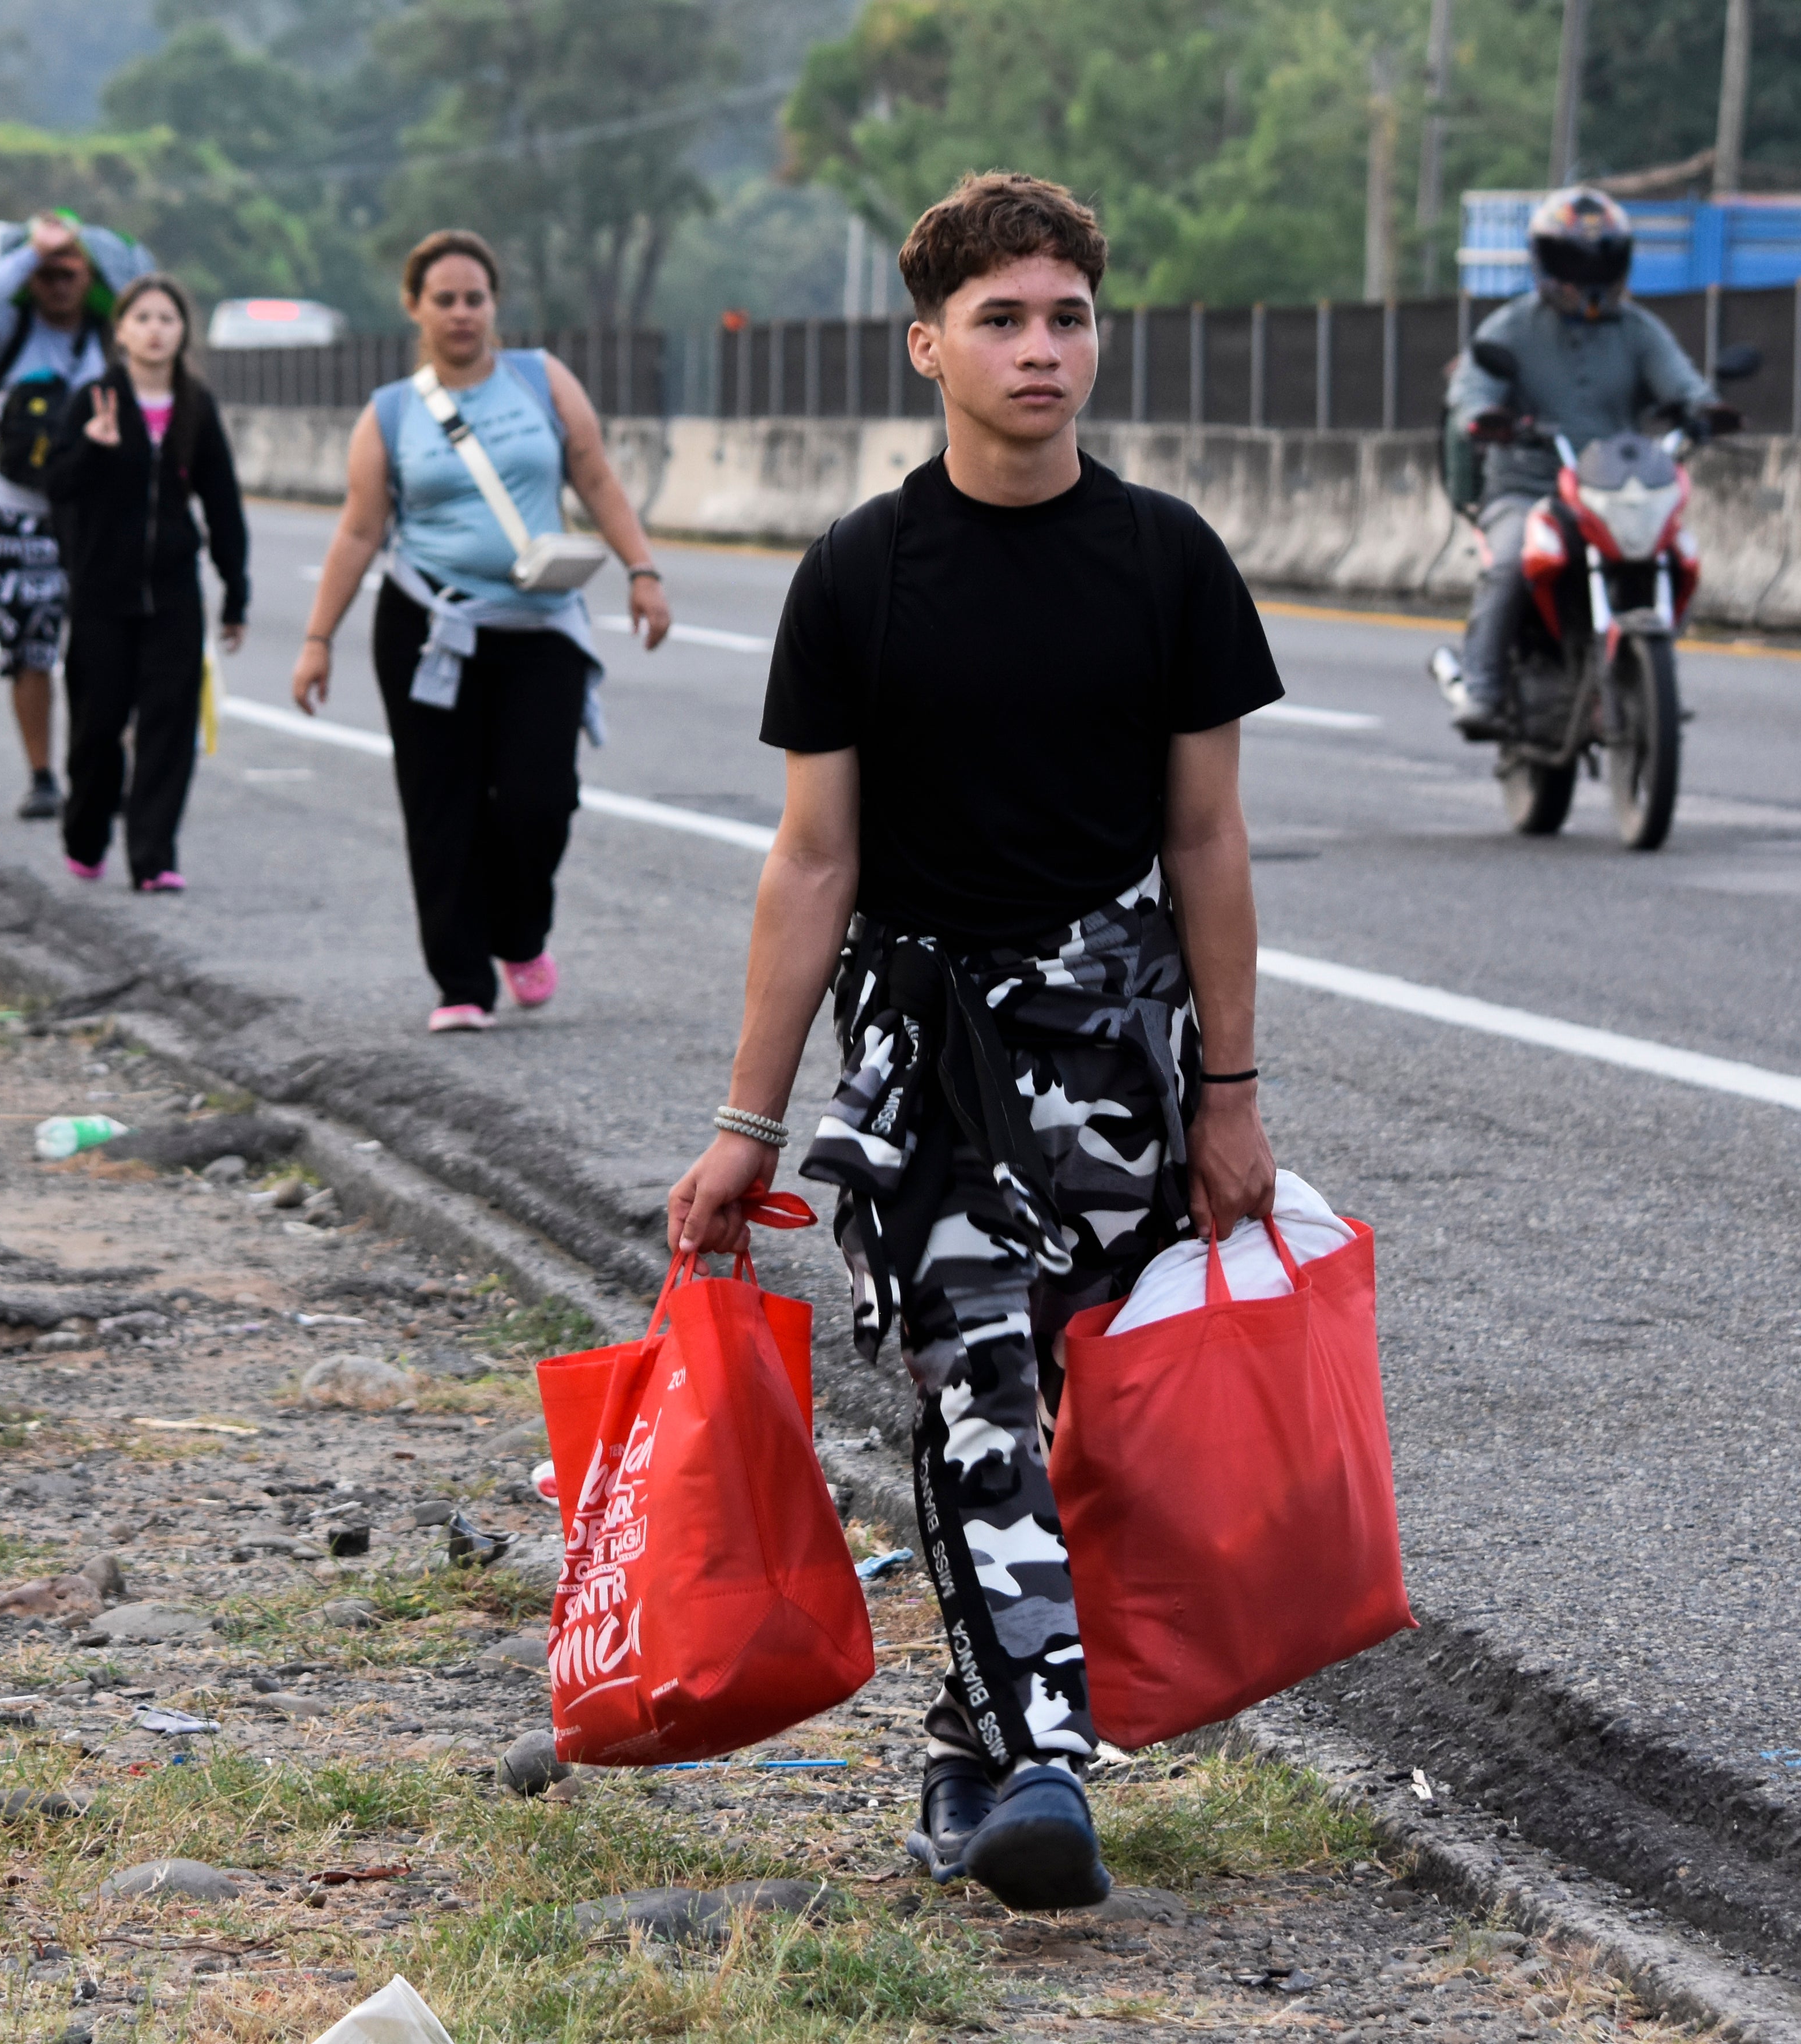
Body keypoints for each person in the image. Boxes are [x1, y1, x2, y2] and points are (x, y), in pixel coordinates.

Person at [663, 172, 1282, 1911]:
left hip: (1116, 1056)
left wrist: (1228, 1094)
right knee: (979, 1393)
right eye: (1000, 319)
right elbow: (812, 858)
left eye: (1065, 314)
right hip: (925, 1057)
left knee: (1088, 1412)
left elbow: (1208, 844)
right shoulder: (859, 573)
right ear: (925, 344)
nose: (1039, 348)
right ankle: (1044, 1775)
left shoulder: (1167, 558)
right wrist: (744, 1120)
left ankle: (968, 1744)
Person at [290, 228, 670, 1033]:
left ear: (493, 304)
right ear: (414, 308)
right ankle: (460, 981)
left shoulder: (540, 380)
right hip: (428, 628)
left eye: (474, 298)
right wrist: (317, 637)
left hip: (539, 627)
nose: (461, 314)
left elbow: (594, 475)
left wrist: (642, 570)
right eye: (444, 300)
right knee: (440, 804)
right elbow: (358, 534)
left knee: (541, 798)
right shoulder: (389, 415)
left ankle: (519, 930)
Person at [1439, 188, 1717, 739]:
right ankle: (1482, 685)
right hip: (1529, 485)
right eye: (1571, 259)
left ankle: (1647, 678)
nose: (1586, 273)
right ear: (1544, 261)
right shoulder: (1510, 327)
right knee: (1513, 560)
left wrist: (1704, 410)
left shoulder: (1639, 330)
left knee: (1676, 556)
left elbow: (1683, 384)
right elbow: (1471, 388)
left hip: (1611, 489)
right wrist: (1484, 416)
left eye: (1600, 258)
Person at [41, 274, 250, 893]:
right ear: (122, 330)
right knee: (97, 730)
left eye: (167, 319)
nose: (156, 330)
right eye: (143, 319)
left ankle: (153, 857)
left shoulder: (195, 405)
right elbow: (58, 487)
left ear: (182, 331)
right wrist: (92, 448)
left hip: (174, 594)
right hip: (102, 592)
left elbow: (222, 503)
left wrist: (235, 589)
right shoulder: (93, 401)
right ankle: (85, 833)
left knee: (168, 727)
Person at [0, 214, 112, 821]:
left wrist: (84, 242)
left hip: (96, 514)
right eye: (45, 275)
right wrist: (34, 250)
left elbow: (148, 286)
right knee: (28, 651)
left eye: (67, 273)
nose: (55, 284)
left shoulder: (111, 337)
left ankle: (101, 769)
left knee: (106, 650)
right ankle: (42, 775)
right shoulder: (8, 332)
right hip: (21, 514)